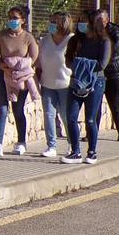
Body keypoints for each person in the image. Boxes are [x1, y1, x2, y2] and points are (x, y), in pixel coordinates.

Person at [61, 10, 111, 165]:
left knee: (90, 119)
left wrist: (81, 64)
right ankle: (75, 152)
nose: (82, 25)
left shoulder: (104, 41)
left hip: (96, 82)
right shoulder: (75, 40)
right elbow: (68, 60)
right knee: (71, 117)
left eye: (85, 21)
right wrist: (81, 66)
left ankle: (92, 152)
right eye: (80, 21)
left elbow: (102, 64)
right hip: (76, 81)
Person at [0, 5, 38, 156]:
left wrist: (20, 67)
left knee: (18, 109)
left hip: (20, 78)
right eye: (10, 18)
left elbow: (34, 57)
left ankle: (21, 142)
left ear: (22, 20)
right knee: (2, 109)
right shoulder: (1, 36)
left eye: (15, 18)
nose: (12, 21)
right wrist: (4, 67)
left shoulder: (28, 38)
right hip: (2, 75)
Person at [36, 12, 75, 157]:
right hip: (47, 84)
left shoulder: (72, 40)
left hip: (66, 85)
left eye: (54, 21)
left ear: (63, 23)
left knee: (66, 116)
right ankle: (51, 146)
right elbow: (38, 61)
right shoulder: (45, 40)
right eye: (50, 21)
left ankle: (72, 144)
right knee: (48, 115)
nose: (50, 24)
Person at [98, 10, 119, 141]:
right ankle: (91, 133)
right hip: (99, 72)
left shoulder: (114, 31)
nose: (99, 24)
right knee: (95, 104)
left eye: (101, 21)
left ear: (107, 20)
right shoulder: (93, 32)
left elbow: (114, 48)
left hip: (113, 72)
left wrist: (102, 33)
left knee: (116, 103)